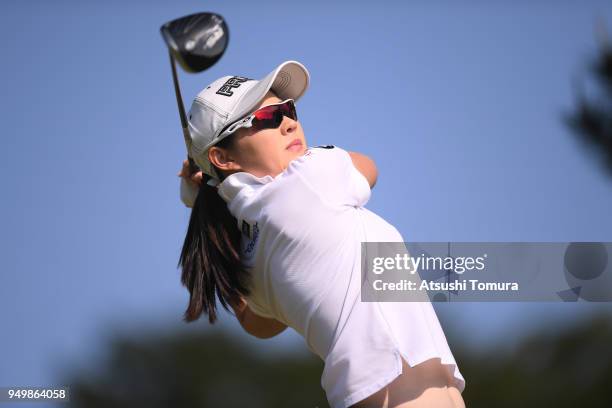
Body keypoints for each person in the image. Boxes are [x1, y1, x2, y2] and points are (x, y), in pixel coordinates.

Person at [176, 60, 466, 408]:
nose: (288, 122)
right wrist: (206, 192)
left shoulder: (250, 253)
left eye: (288, 109)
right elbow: (368, 167)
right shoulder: (309, 177)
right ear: (223, 157)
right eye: (267, 119)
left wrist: (207, 197)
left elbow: (258, 324)